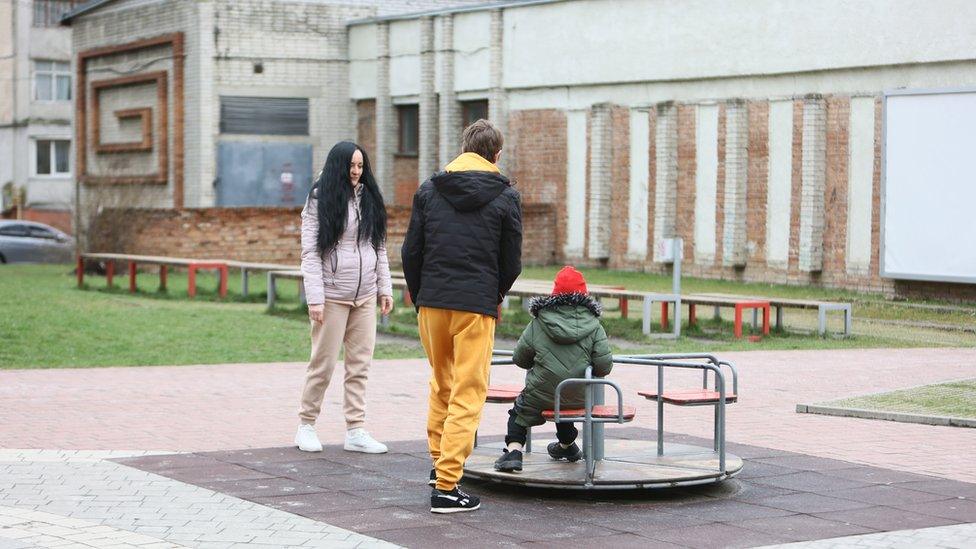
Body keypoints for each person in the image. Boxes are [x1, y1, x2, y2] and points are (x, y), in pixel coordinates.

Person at [401, 119, 522, 514]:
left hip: (432, 302)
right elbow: (512, 261)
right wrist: (496, 293)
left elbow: (411, 252)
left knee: (442, 384)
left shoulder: (429, 190)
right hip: (475, 305)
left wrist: (422, 296)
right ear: (496, 155)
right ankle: (448, 486)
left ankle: (440, 468)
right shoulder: (505, 196)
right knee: (469, 391)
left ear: (463, 148)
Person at [295, 141, 394, 455]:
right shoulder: (318, 200)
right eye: (351, 166)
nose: (356, 172)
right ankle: (306, 425)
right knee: (322, 364)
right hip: (332, 295)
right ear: (339, 166)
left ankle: (355, 430)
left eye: (361, 166)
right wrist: (315, 299)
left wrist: (385, 288)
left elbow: (378, 248)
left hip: (364, 296)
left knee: (359, 366)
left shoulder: (369, 199)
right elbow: (310, 254)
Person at [493, 266, 612, 473]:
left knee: (520, 412)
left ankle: (513, 452)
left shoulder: (538, 322)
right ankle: (566, 446)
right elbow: (604, 366)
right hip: (579, 393)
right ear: (585, 294)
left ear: (554, 293)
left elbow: (520, 358)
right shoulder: (594, 325)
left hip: (541, 392)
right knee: (564, 405)